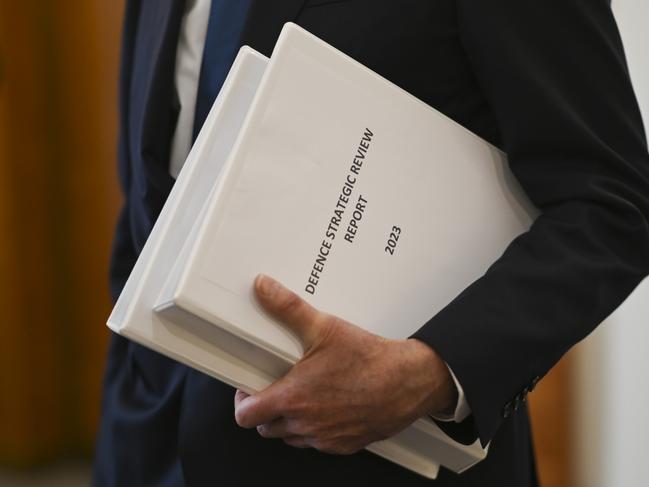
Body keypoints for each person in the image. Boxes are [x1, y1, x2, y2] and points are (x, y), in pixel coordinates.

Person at [93, 1, 649, 486]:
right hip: (146, 447)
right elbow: (149, 196)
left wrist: (431, 372)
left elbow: (611, 206)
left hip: (382, 464)